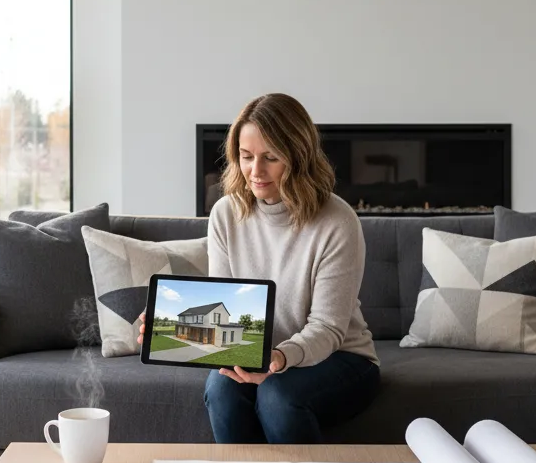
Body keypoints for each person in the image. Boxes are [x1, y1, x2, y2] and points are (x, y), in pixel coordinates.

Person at [139, 93, 379, 444]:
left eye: (271, 158)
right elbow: (226, 308)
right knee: (221, 389)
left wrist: (280, 358)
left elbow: (328, 328)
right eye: (246, 156)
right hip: (258, 354)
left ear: (298, 157)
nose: (256, 171)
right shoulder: (225, 214)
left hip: (340, 357)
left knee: (278, 397)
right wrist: (168, 329)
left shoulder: (337, 221)